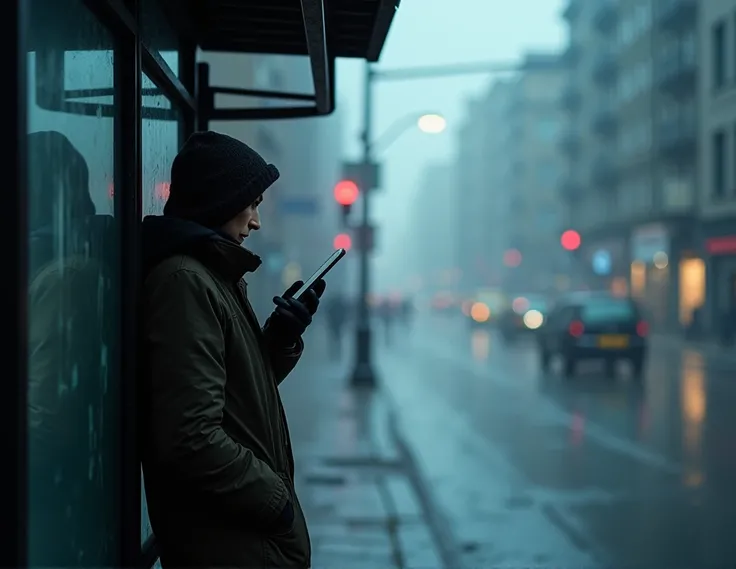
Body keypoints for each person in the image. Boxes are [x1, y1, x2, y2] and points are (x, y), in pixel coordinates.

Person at [139, 131, 325, 568]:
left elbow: (232, 396)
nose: (256, 221)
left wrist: (277, 340)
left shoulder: (209, 277)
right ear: (221, 199)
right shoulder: (185, 281)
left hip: (237, 538)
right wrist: (276, 502)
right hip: (226, 541)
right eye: (253, 203)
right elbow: (191, 437)